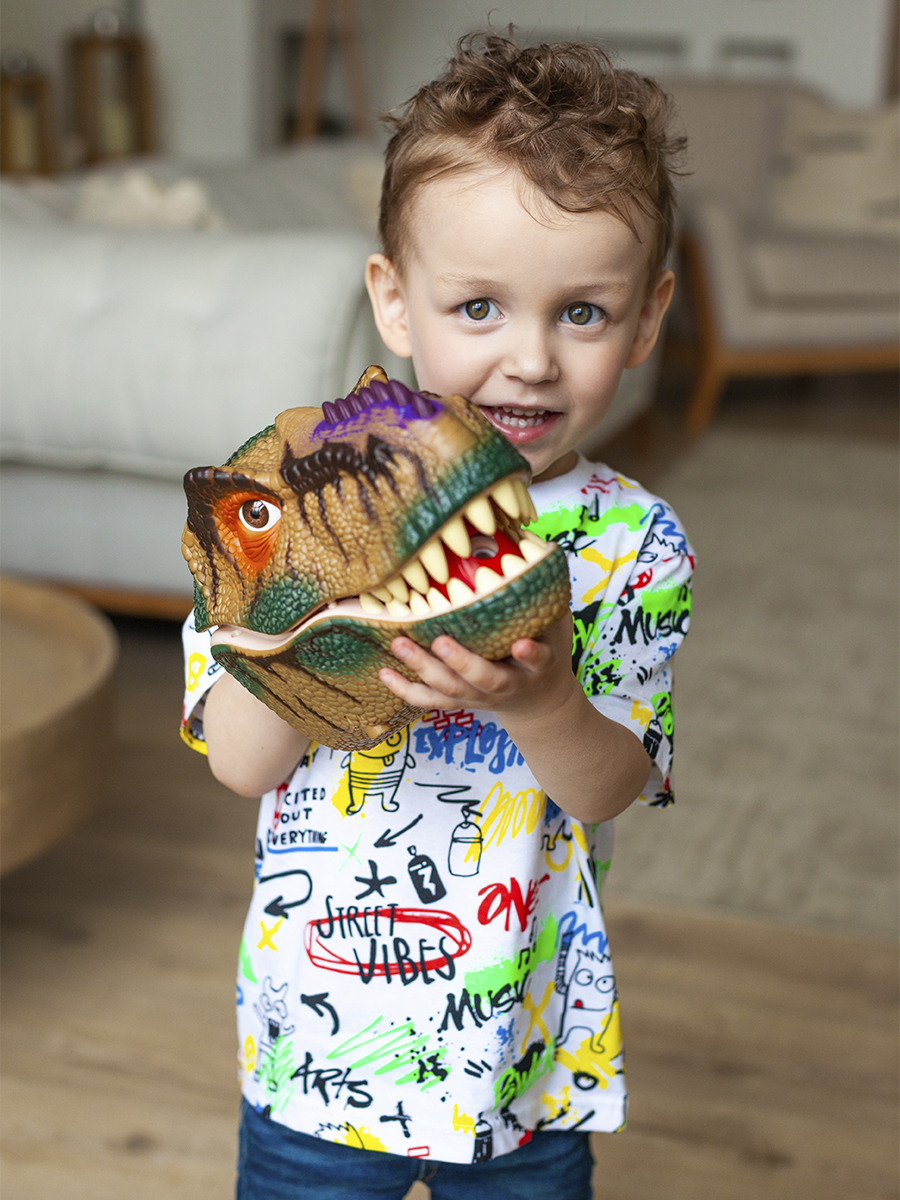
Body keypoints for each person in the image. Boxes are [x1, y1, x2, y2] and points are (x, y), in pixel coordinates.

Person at [181, 32, 693, 1200]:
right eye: (477, 306)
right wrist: (304, 614)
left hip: (522, 1058)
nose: (528, 359)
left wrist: (545, 700)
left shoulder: (634, 542)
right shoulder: (285, 506)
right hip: (317, 1050)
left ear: (648, 318)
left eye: (583, 313)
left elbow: (614, 784)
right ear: (394, 302)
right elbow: (242, 768)